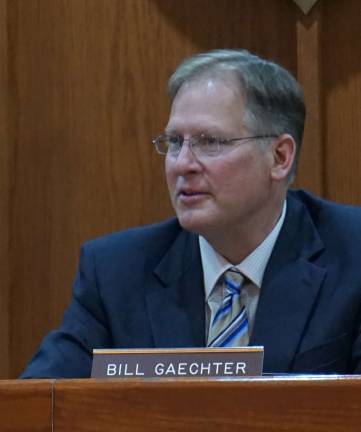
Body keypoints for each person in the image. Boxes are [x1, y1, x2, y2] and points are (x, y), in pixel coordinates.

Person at [22, 49, 361, 378]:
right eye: (174, 142)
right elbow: (39, 404)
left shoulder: (353, 256)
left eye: (210, 141)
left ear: (279, 157)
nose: (182, 164)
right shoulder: (115, 273)